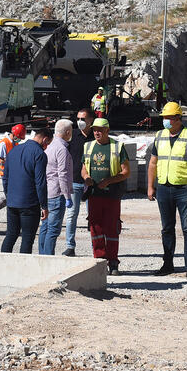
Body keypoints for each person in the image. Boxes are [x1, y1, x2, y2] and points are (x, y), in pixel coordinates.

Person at [147, 102, 187, 278]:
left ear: (178, 118)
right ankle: (168, 264)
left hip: (185, 189)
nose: (165, 120)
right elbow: (153, 163)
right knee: (167, 228)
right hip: (164, 187)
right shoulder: (160, 136)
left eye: (168, 117)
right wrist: (150, 186)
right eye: (164, 117)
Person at [81, 118, 130, 275]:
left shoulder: (117, 147)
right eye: (95, 129)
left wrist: (109, 181)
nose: (97, 132)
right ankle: (99, 260)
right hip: (94, 195)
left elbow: (126, 172)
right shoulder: (88, 146)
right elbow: (83, 168)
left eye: (100, 130)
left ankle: (113, 262)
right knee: (95, 228)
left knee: (111, 228)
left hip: (112, 195)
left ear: (107, 131)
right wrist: (86, 178)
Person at [1, 128, 53, 254]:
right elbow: (40, 182)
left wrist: (8, 195)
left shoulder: (13, 150)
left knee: (11, 235)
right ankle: (23, 265)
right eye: (48, 143)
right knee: (27, 238)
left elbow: (5, 177)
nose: (47, 146)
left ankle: (1, 262)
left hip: (12, 202)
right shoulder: (39, 154)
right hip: (29, 203)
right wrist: (44, 206)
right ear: (45, 139)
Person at [38, 119, 74, 255]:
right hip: (57, 193)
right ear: (68, 132)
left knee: (45, 227)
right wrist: (67, 196)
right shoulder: (61, 150)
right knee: (53, 230)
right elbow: (62, 174)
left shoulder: (49, 147)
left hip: (47, 191)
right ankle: (48, 257)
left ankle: (42, 255)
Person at [63, 108, 95, 257]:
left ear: (91, 120)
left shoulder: (96, 136)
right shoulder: (72, 136)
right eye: (78, 119)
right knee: (71, 215)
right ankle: (70, 246)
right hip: (75, 180)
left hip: (92, 182)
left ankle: (96, 246)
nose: (80, 121)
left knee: (93, 217)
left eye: (83, 119)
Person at [0, 123, 26, 221]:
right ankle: (13, 218)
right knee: (11, 196)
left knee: (12, 195)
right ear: (14, 135)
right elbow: (3, 158)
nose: (19, 140)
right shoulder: (3, 143)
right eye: (19, 138)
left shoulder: (15, 142)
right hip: (6, 174)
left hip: (13, 173)